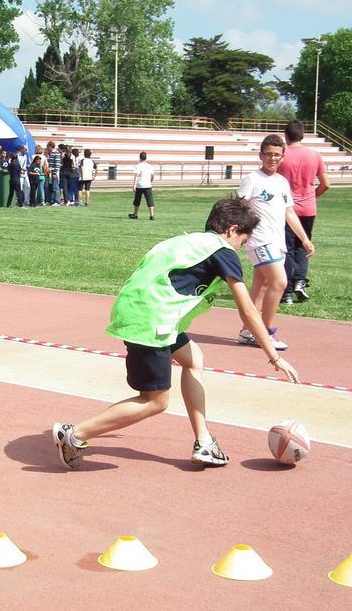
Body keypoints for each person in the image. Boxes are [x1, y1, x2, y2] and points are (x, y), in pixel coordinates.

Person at [51, 197, 300, 470]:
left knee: (194, 359)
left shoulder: (186, 241)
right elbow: (249, 312)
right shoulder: (222, 251)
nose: (240, 248)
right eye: (243, 240)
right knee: (155, 402)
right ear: (231, 229)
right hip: (153, 321)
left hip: (143, 312)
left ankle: (204, 441)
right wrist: (273, 356)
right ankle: (74, 435)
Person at [236, 134, 314, 351]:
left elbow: (289, 212)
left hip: (277, 241)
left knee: (261, 287)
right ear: (261, 155)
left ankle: (247, 331)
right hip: (259, 241)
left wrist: (304, 239)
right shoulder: (252, 179)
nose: (272, 158)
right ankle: (266, 332)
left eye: (277, 155)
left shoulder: (281, 182)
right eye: (269, 154)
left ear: (282, 157)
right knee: (279, 282)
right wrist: (238, 235)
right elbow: (237, 208)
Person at [277, 121, 330, 304]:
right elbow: (326, 184)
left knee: (287, 249)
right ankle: (300, 280)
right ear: (302, 135)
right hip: (308, 208)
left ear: (286, 136)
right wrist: (312, 197)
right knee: (303, 246)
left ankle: (287, 291)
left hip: (286, 209)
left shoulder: (281, 155)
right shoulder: (314, 155)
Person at [129, 151, 155, 220]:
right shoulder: (150, 166)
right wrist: (150, 182)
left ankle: (135, 214)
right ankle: (151, 215)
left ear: (140, 157)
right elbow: (152, 176)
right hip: (148, 185)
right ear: (146, 158)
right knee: (150, 200)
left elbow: (136, 176)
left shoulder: (138, 166)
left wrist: (134, 185)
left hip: (140, 185)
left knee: (137, 200)